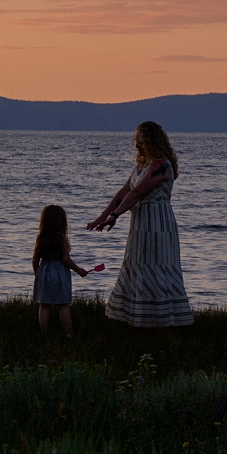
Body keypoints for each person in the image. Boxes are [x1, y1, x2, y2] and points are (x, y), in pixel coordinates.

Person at [86, 121, 193, 328]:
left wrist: (116, 215)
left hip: (158, 224)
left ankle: (161, 320)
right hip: (140, 224)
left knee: (156, 265)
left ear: (153, 141)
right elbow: (124, 192)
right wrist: (102, 216)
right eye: (136, 142)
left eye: (142, 142)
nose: (138, 146)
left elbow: (138, 193)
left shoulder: (162, 166)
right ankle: (137, 317)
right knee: (137, 264)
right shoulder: (140, 167)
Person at [30, 204, 102, 335]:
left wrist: (38, 275)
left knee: (44, 305)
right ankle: (68, 333)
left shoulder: (40, 238)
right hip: (59, 274)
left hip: (44, 271)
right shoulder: (62, 239)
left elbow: (35, 259)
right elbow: (66, 259)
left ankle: (43, 334)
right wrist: (78, 270)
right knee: (63, 305)